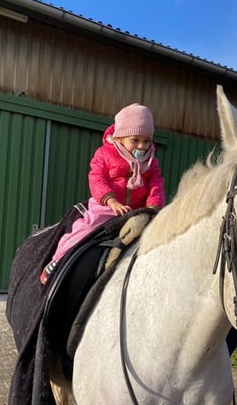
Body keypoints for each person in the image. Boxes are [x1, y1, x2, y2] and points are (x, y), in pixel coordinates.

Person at [40, 103, 165, 284]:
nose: (142, 146)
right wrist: (111, 200)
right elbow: (96, 177)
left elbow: (156, 183)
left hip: (137, 210)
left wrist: (153, 205)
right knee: (85, 229)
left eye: (146, 141)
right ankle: (58, 260)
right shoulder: (105, 154)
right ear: (120, 138)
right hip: (108, 207)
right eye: (135, 140)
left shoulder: (150, 161)